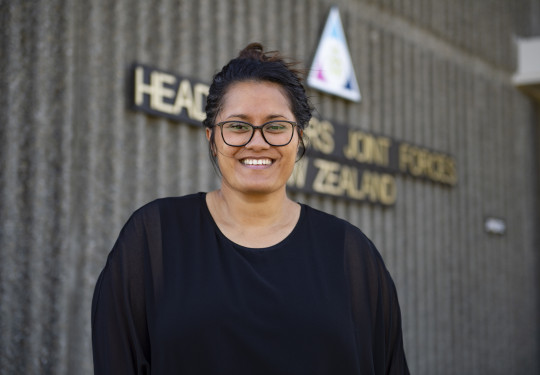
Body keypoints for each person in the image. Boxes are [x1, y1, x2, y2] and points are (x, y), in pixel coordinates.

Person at [92, 42, 409, 375]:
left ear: (298, 138)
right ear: (211, 139)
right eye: (238, 126)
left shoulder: (350, 253)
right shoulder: (153, 239)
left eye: (275, 126)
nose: (257, 142)